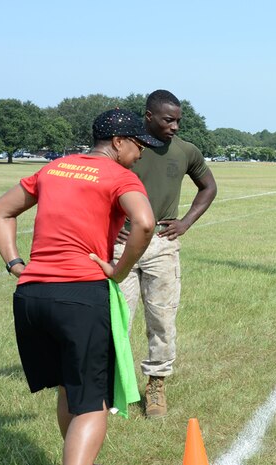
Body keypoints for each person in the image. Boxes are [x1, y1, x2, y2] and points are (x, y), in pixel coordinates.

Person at [0, 109, 158, 465]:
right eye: (139, 145)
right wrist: (118, 271)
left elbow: (0, 211)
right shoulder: (119, 177)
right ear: (118, 141)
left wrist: (15, 263)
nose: (140, 155)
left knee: (70, 387)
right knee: (92, 401)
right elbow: (145, 222)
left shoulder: (53, 168)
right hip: (79, 295)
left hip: (31, 296)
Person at [113, 90, 218, 418]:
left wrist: (185, 222)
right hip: (120, 246)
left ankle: (156, 383)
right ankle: (111, 384)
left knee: (162, 318)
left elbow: (209, 187)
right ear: (148, 116)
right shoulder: (127, 148)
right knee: (117, 319)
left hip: (161, 245)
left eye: (178, 121)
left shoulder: (186, 151)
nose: (174, 126)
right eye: (167, 120)